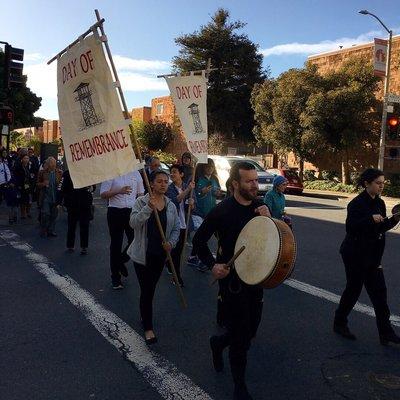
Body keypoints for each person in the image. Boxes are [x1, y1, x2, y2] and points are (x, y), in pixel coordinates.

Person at [193, 162, 271, 400]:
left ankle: (218, 343)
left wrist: (272, 219)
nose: (255, 186)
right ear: (235, 184)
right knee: (240, 335)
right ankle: (239, 386)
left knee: (249, 331)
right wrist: (212, 265)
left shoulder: (260, 206)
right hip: (232, 281)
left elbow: (274, 238)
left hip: (256, 278)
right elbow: (198, 242)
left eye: (256, 180)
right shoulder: (222, 211)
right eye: (249, 181)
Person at [334, 168, 400, 346]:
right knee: (353, 290)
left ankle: (385, 332)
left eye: (383, 183)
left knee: (380, 294)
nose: (381, 186)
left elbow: (380, 228)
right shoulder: (356, 204)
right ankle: (339, 323)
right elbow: (351, 228)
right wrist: (370, 219)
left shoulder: (379, 203)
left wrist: (394, 219)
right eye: (378, 183)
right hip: (354, 254)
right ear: (366, 184)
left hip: (372, 257)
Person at [127, 170, 180, 344]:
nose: (163, 184)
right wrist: (148, 209)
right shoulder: (141, 201)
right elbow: (133, 223)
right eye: (159, 181)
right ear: (151, 184)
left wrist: (170, 244)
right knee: (147, 290)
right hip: (142, 255)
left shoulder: (171, 205)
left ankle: (145, 315)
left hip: (160, 255)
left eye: (166, 181)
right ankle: (148, 327)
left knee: (149, 290)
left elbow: (176, 229)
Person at [100, 169, 144, 289]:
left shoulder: (136, 173)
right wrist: (118, 191)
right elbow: (103, 194)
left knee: (135, 240)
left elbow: (141, 194)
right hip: (115, 211)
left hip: (132, 211)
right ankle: (115, 278)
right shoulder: (111, 173)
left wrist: (143, 208)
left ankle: (121, 261)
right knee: (116, 244)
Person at [166, 164, 195, 286]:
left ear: (181, 174)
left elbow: (192, 206)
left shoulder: (188, 187)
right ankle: (176, 277)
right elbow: (175, 200)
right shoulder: (169, 188)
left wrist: (192, 203)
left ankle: (169, 263)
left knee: (178, 251)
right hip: (174, 225)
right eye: (171, 172)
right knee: (177, 252)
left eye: (174, 172)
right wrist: (188, 190)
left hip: (185, 224)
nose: (172, 174)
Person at [60, 169, 94, 255]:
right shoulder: (69, 173)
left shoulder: (87, 172)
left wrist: (91, 187)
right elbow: (63, 188)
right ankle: (82, 247)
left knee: (75, 225)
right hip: (76, 202)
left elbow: (93, 187)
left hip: (79, 202)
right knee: (78, 225)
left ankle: (74, 245)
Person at [37, 157, 62, 237]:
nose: (52, 165)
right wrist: (43, 184)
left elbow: (61, 184)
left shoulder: (59, 172)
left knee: (54, 215)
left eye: (53, 163)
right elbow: (37, 184)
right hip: (46, 197)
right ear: (48, 164)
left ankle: (51, 230)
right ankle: (43, 229)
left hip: (55, 197)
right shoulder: (42, 172)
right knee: (45, 214)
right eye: (50, 163)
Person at [14, 154, 35, 219]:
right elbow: (16, 177)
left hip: (30, 185)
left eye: (27, 158)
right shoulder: (19, 167)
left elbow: (33, 174)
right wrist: (18, 185)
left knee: (30, 199)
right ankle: (23, 213)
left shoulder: (30, 166)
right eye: (25, 158)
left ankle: (28, 212)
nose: (26, 160)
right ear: (22, 159)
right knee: (23, 200)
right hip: (22, 185)